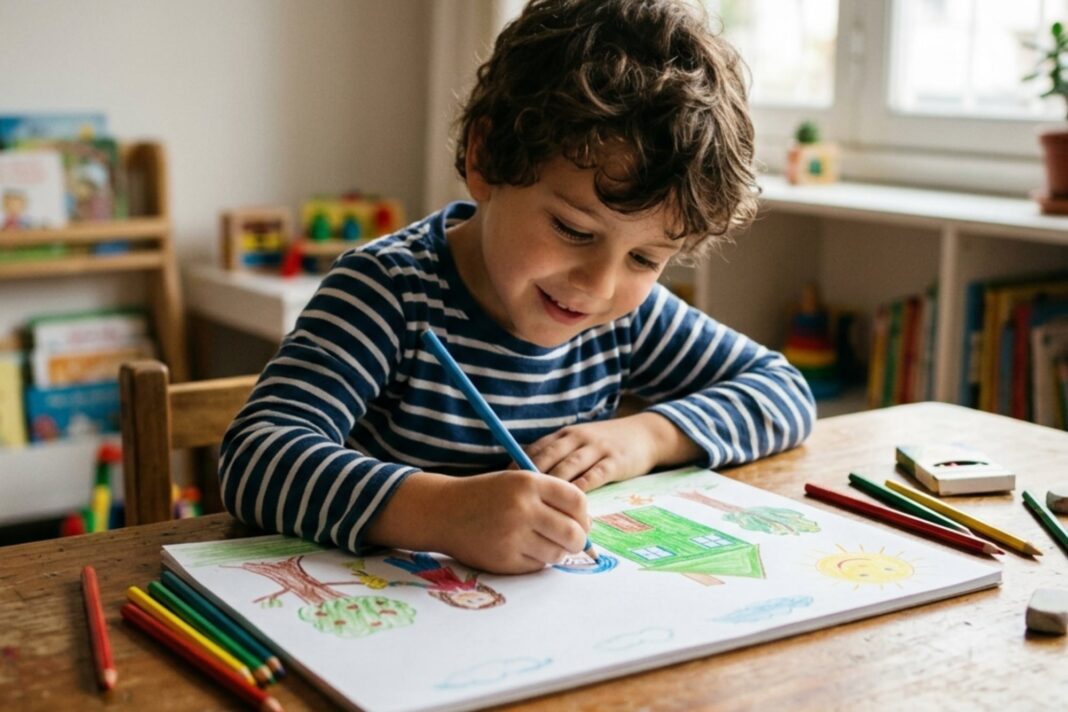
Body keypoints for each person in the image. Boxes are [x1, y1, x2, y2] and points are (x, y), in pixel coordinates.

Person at [220, 0, 815, 575]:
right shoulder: (389, 291)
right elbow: (257, 458)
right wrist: (441, 513)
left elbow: (783, 392)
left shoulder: (625, 317)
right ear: (484, 159)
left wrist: (649, 437)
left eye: (644, 257)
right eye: (572, 229)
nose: (599, 285)